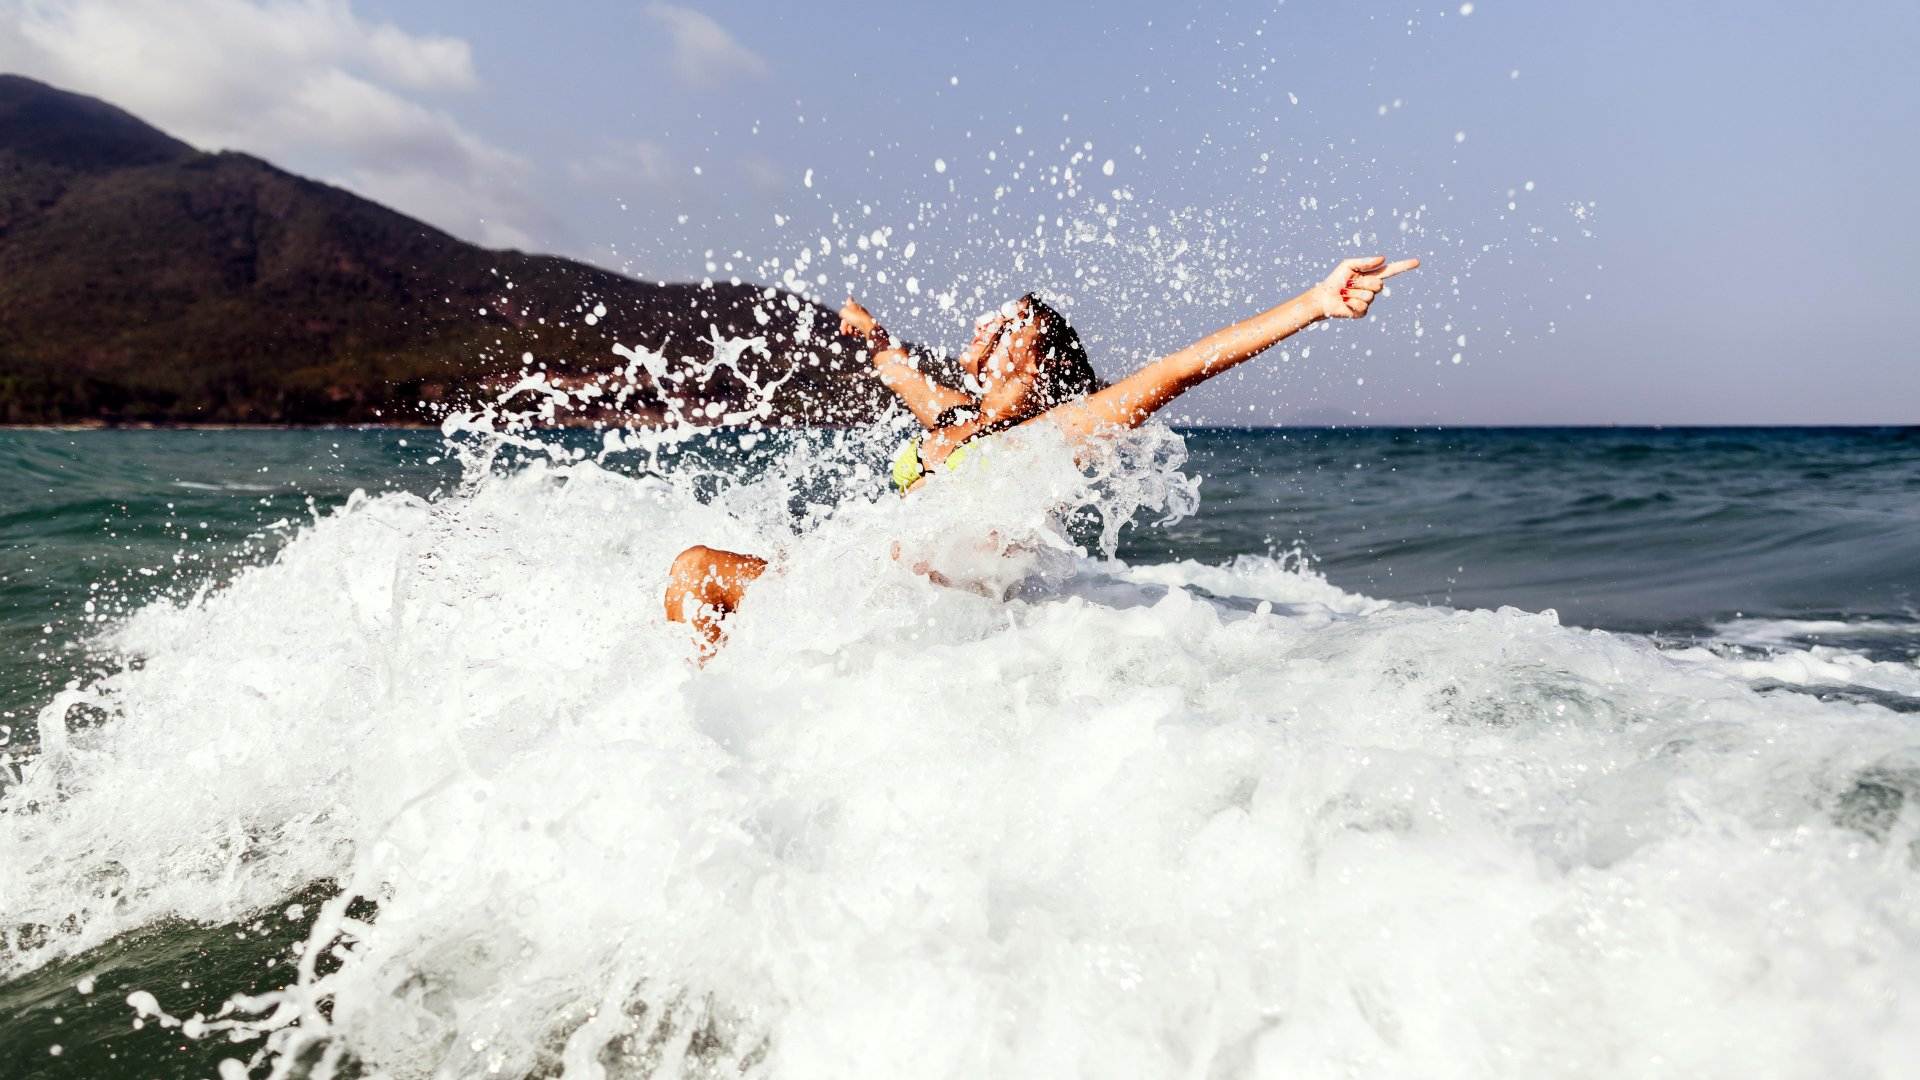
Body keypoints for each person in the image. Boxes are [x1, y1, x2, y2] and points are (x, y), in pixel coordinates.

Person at [663, 255, 1420, 655]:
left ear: (1039, 369)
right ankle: (701, 727)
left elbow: (1183, 368)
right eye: (995, 323)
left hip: (932, 621)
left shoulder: (1063, 432)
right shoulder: (952, 417)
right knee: (693, 575)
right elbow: (889, 360)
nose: (996, 327)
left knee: (701, 569)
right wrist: (867, 334)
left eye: (1016, 328)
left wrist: (1315, 303)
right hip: (851, 591)